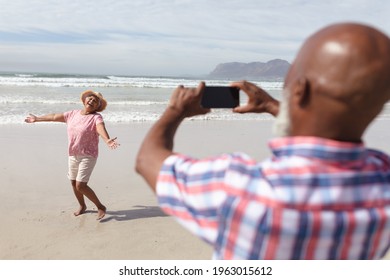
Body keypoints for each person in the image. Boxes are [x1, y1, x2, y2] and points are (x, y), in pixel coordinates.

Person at [135, 22, 390, 259]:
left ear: (299, 90)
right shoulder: (383, 180)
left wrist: (175, 111)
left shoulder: (242, 188)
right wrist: (272, 106)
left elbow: (149, 159)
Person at [25, 90, 119, 220]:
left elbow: (100, 127)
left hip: (88, 155)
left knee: (81, 185)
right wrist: (37, 119)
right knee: (73, 183)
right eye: (90, 99)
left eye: (95, 101)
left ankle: (100, 206)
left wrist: (107, 139)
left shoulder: (96, 117)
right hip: (73, 153)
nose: (91, 101)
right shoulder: (72, 114)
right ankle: (82, 206)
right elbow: (53, 117)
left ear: (97, 106)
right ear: (85, 100)